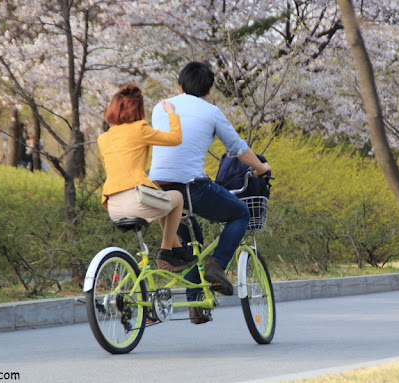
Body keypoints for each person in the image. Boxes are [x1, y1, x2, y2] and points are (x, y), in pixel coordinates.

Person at [148, 61, 272, 323]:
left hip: (157, 190)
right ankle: (217, 266)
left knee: (190, 244)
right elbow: (237, 148)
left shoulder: (160, 108)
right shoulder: (211, 111)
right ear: (208, 89)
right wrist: (261, 167)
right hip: (191, 188)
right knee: (239, 214)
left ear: (180, 86)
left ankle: (196, 304)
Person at [97, 83, 192, 272]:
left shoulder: (104, 138)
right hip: (136, 200)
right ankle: (165, 253)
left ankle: (179, 250)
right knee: (177, 198)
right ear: (138, 108)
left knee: (160, 202)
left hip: (114, 207)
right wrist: (172, 113)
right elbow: (175, 138)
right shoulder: (139, 128)